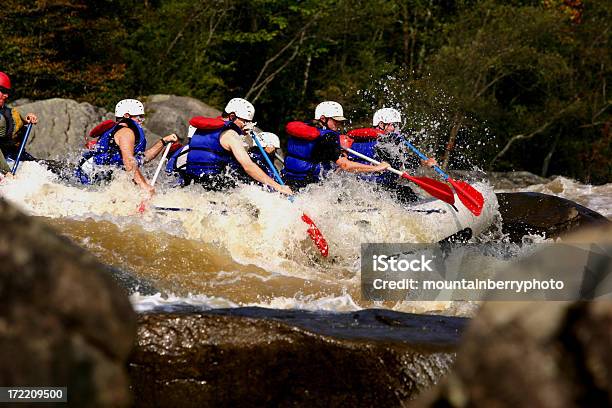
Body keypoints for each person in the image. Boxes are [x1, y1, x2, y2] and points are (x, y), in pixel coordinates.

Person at [166, 98, 291, 195]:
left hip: (192, 183)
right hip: (213, 186)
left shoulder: (200, 130)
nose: (246, 125)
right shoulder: (230, 135)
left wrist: (241, 133)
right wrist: (278, 187)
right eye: (244, 121)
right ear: (232, 116)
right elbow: (248, 166)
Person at [75, 98, 178, 195]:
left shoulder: (129, 131)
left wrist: (163, 142)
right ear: (127, 116)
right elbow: (128, 161)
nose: (142, 120)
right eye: (140, 116)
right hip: (90, 176)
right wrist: (144, 185)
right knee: (142, 184)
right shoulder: (126, 132)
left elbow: (143, 158)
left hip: (104, 175)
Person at [281, 101, 389, 190]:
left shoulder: (302, 130)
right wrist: (376, 168)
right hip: (310, 186)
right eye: (336, 121)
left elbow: (315, 152)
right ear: (323, 119)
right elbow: (346, 166)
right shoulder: (329, 137)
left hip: (288, 180)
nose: (339, 124)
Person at [346, 107, 438, 203]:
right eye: (393, 125)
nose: (396, 129)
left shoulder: (374, 142)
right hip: (371, 188)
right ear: (381, 124)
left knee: (406, 191)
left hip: (371, 187)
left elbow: (400, 159)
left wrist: (424, 162)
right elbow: (402, 161)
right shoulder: (378, 144)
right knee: (406, 193)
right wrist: (424, 162)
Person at [0, 71, 38, 167]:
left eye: (7, 92)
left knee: (55, 168)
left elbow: (18, 117)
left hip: (13, 157)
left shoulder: (9, 112)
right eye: (2, 90)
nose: (6, 96)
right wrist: (6, 172)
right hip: (4, 165)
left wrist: (28, 118)